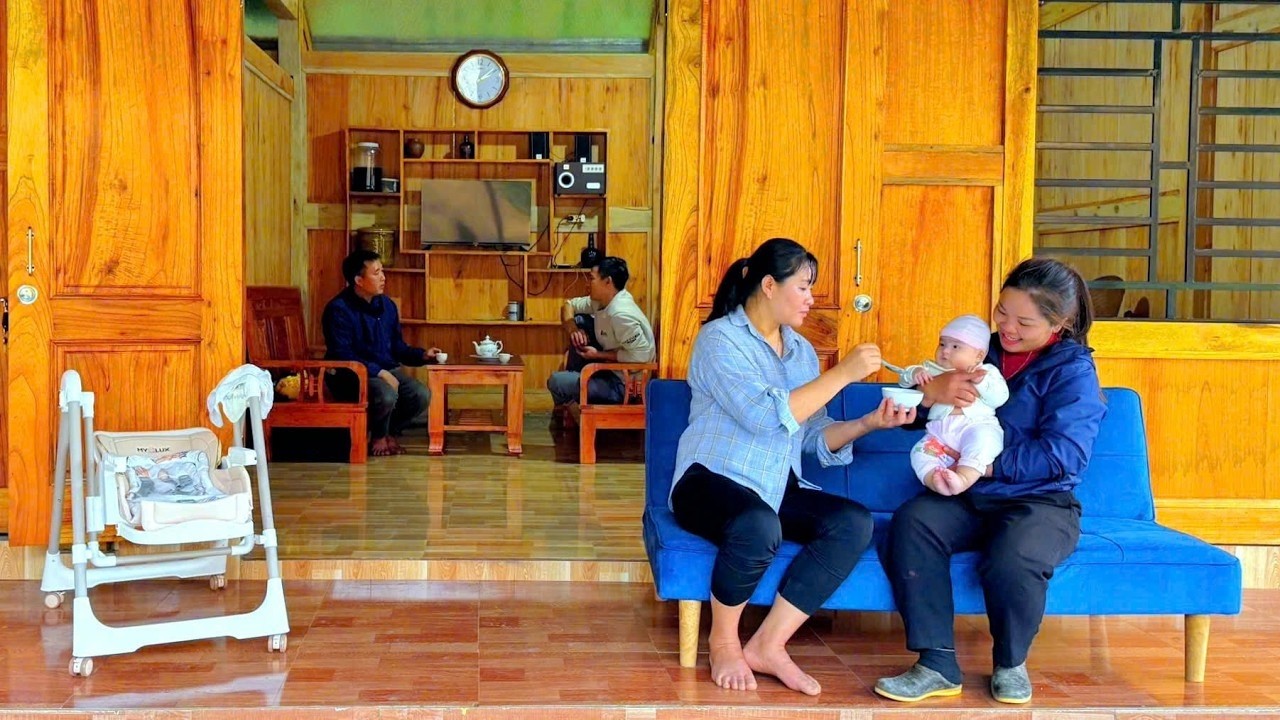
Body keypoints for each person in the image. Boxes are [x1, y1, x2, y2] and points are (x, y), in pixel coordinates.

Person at [670, 237, 916, 696]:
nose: (811, 300)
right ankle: (723, 641)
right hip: (708, 479)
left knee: (852, 523)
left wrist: (869, 423)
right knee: (757, 524)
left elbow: (809, 437)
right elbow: (766, 416)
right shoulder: (719, 339)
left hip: (772, 483)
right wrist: (842, 373)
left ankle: (769, 643)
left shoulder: (800, 352)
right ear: (768, 285)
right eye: (804, 288)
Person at [875, 258, 1106, 705]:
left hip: (1039, 501)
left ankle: (1011, 662)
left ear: (1059, 322)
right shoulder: (981, 350)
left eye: (1024, 321)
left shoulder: (1072, 371)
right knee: (913, 522)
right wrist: (926, 398)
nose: (1007, 328)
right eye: (1002, 312)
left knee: (1015, 556)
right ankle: (936, 663)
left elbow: (1065, 454)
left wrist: (983, 466)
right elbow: (939, 419)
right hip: (970, 494)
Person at [322, 249, 441, 457]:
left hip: (386, 371)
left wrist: (423, 355)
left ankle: (387, 432)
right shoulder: (338, 309)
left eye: (382, 271)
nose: (383, 278)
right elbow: (342, 353)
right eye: (376, 273)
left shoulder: (387, 305)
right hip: (351, 375)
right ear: (359, 280)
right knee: (386, 392)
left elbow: (397, 347)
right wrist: (380, 372)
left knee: (420, 394)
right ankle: (378, 437)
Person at [898, 314, 1009, 494]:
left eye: (955, 346)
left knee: (984, 443)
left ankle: (963, 479)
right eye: (942, 344)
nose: (945, 351)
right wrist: (914, 373)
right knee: (919, 453)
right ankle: (935, 481)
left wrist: (980, 383)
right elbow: (903, 380)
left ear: (978, 355)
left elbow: (1000, 398)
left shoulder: (986, 372)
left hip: (975, 427)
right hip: (938, 434)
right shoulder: (932, 370)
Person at [547, 256, 654, 423]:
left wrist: (598, 355)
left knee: (556, 382)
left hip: (623, 385)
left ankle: (572, 408)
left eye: (591, 278)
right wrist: (573, 329)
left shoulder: (621, 314)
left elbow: (641, 357)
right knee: (580, 320)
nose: (587, 284)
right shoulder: (601, 301)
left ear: (608, 281)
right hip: (609, 371)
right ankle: (574, 399)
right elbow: (569, 305)